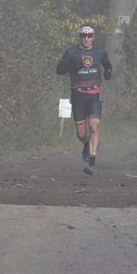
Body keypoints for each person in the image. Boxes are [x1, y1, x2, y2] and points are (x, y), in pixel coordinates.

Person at [56, 24, 112, 176]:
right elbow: (58, 69)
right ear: (80, 37)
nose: (86, 38)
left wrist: (108, 72)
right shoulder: (72, 52)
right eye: (83, 35)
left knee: (94, 127)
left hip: (94, 95)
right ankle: (87, 144)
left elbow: (107, 64)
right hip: (78, 96)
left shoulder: (99, 51)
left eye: (89, 35)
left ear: (93, 37)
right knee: (81, 134)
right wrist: (70, 66)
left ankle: (92, 163)